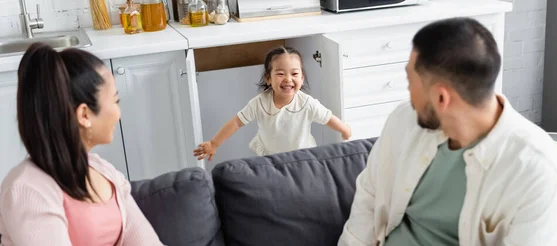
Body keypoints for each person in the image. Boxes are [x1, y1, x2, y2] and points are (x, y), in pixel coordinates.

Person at [338, 17, 557, 246]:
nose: (409, 93)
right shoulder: (403, 120)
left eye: (410, 82)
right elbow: (369, 197)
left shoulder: (535, 170)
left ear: (441, 98)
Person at [0, 43, 163, 246]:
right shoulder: (27, 190)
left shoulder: (105, 172)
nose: (118, 113)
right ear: (84, 114)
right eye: (115, 101)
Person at [194, 46, 352, 160]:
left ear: (302, 78)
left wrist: (345, 130)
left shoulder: (307, 103)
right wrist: (214, 143)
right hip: (270, 157)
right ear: (268, 78)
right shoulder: (260, 103)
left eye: (295, 73)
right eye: (280, 74)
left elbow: (328, 118)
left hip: (302, 157)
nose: (288, 79)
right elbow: (236, 122)